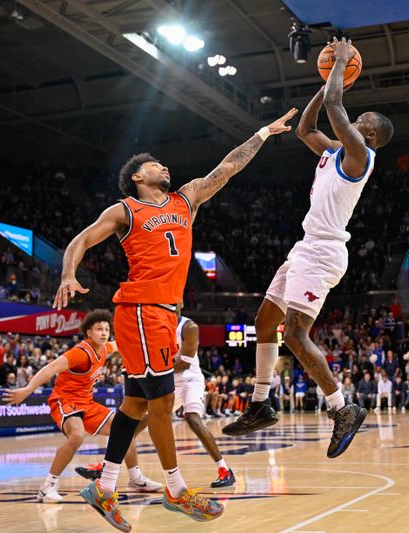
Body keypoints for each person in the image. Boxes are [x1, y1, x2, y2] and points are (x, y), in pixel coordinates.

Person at [53, 108, 296, 529]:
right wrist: (68, 272)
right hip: (142, 310)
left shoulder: (186, 199)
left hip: (163, 313)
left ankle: (105, 486)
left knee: (135, 403)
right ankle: (176, 488)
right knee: (163, 403)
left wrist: (262, 133)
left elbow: (228, 168)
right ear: (137, 177)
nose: (163, 165)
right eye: (153, 164)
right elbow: (82, 238)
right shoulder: (125, 210)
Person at [223, 37, 393, 459]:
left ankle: (342, 407)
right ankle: (261, 403)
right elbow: (306, 129)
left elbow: (336, 110)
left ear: (368, 132)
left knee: (295, 334)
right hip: (305, 248)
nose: (356, 115)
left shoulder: (360, 155)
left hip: (324, 252)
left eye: (362, 117)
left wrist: (338, 66)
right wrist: (326, 82)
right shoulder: (335, 150)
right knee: (265, 322)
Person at [4, 310, 161, 503]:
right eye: (99, 329)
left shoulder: (104, 349)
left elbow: (122, 344)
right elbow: (51, 368)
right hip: (65, 400)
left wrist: (147, 339)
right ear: (88, 333)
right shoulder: (80, 352)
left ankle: (136, 479)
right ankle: (47, 487)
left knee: (124, 429)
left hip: (86, 402)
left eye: (106, 329)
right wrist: (27, 389)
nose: (104, 333)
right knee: (77, 436)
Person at [79, 313, 236, 488]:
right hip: (167, 380)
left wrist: (153, 373)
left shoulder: (188, 327)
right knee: (133, 424)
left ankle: (224, 469)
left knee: (192, 418)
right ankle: (105, 467)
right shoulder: (156, 324)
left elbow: (184, 364)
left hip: (189, 379)